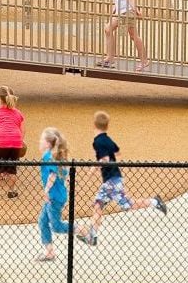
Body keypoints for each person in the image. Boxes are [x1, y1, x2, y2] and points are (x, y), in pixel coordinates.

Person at [75, 111, 166, 247]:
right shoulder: (108, 139)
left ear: (94, 125)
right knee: (98, 204)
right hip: (112, 179)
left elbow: (104, 158)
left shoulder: (98, 141)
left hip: (112, 181)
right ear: (107, 126)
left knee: (128, 205)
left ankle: (155, 202)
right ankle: (92, 236)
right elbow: (118, 153)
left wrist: (93, 168)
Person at [97, 0, 149, 71]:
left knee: (133, 36)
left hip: (127, 13)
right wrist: (114, 8)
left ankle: (144, 61)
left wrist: (136, 10)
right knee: (108, 29)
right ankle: (110, 58)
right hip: (121, 12)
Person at [34, 128, 73, 262]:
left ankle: (82, 230)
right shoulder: (56, 156)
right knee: (43, 221)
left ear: (48, 143)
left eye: (42, 139)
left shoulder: (48, 156)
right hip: (57, 195)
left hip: (53, 197)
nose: (39, 141)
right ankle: (49, 253)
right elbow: (64, 174)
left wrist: (46, 191)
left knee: (56, 226)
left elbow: (53, 175)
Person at [0, 85, 26, 199]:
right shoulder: (18, 113)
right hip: (16, 142)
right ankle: (12, 191)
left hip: (0, 141)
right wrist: (19, 142)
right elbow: (22, 131)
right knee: (12, 168)